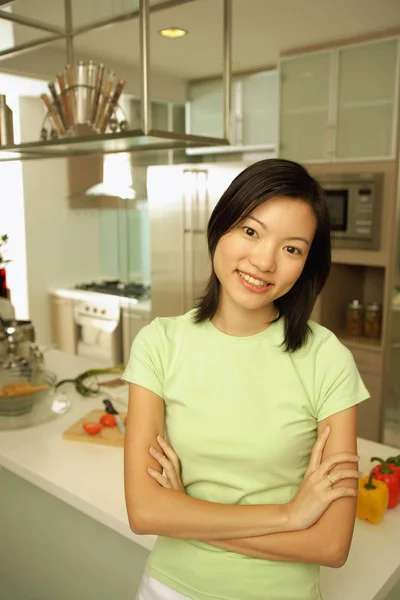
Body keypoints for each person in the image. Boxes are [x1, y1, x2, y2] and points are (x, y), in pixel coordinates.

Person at [123, 158, 369, 600]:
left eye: (291, 248)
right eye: (251, 231)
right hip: (168, 590)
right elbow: (144, 512)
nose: (264, 261)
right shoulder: (158, 344)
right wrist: (290, 515)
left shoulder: (326, 359)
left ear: (306, 264)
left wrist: (185, 514)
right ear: (220, 228)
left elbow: (330, 545)